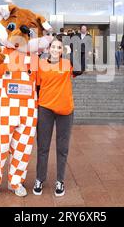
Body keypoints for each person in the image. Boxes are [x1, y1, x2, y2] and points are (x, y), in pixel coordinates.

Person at [33, 36, 81, 197]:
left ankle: (60, 180)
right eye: (53, 47)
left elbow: (81, 68)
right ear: (48, 49)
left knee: (62, 148)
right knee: (43, 147)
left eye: (59, 47)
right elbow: (37, 87)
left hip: (65, 111)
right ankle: (40, 178)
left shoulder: (67, 65)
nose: (55, 50)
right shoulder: (40, 64)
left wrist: (73, 48)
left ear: (62, 51)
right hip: (45, 108)